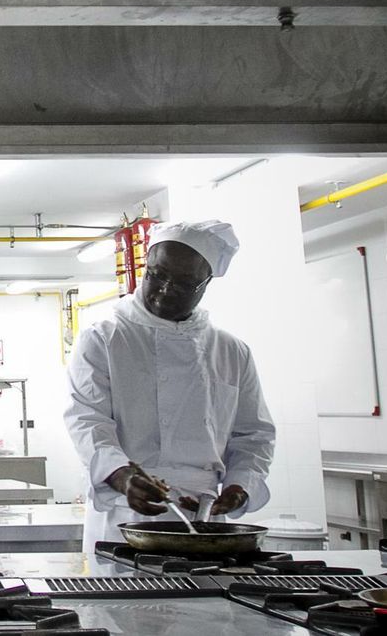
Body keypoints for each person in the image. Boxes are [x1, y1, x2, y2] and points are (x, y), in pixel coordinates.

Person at [64, 219, 277, 549]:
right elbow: (87, 420)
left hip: (203, 517)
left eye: (183, 284)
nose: (164, 289)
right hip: (126, 514)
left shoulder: (231, 351)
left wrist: (239, 486)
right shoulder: (105, 338)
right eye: (156, 274)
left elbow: (254, 435)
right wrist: (122, 476)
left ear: (206, 284)